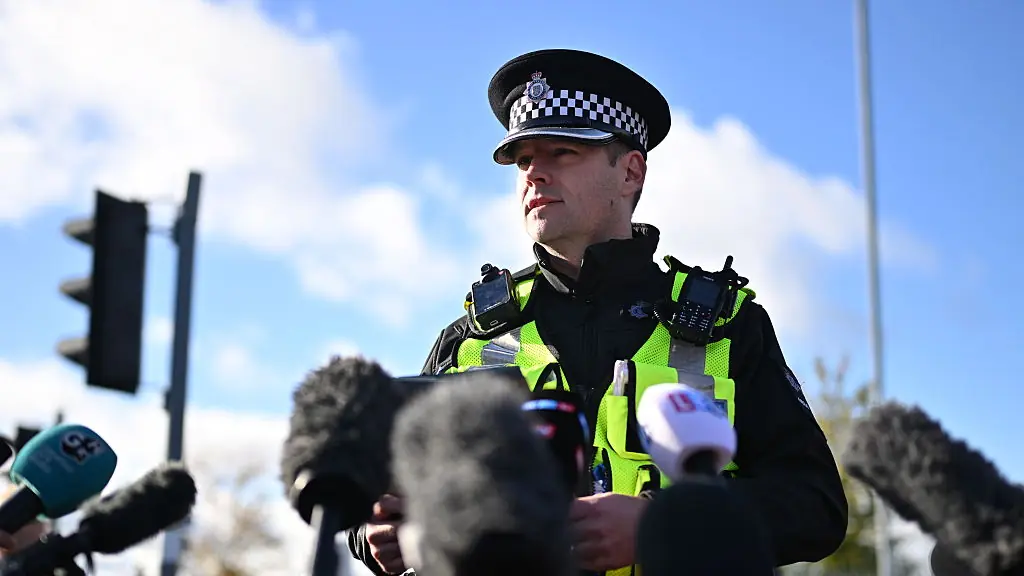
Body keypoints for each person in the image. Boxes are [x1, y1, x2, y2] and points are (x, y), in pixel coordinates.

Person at [348, 48, 848, 576]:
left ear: (631, 171)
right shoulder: (470, 336)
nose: (534, 174)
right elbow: (382, 498)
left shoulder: (728, 326)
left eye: (562, 152)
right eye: (522, 160)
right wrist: (375, 535)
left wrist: (663, 524)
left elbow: (816, 505)